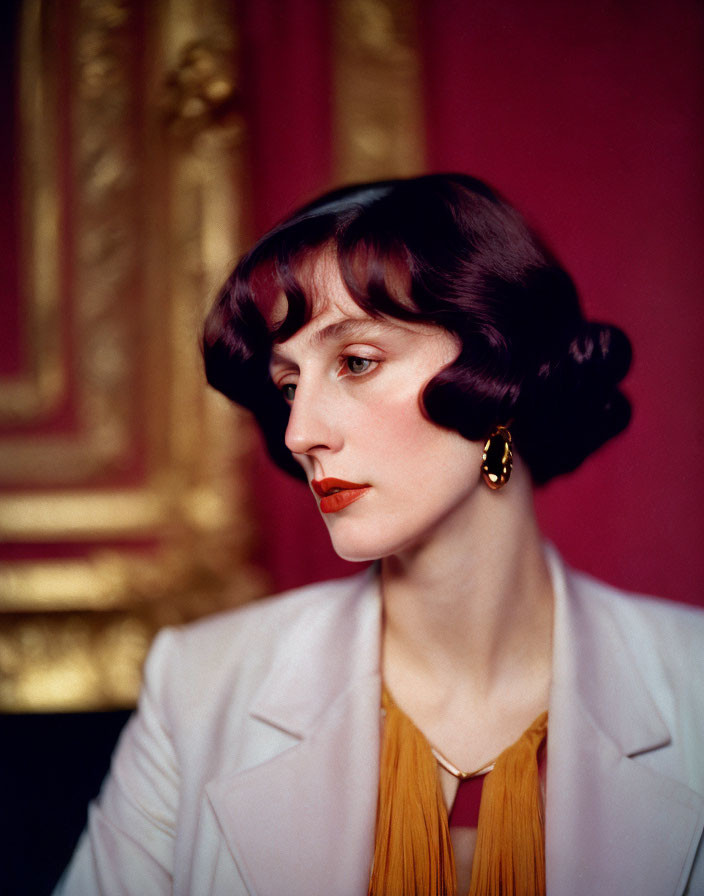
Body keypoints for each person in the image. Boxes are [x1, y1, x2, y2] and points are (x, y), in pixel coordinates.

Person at [55, 174, 704, 895]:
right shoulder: (198, 687)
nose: (301, 433)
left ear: (499, 369)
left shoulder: (694, 684)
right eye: (289, 385)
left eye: (356, 362)